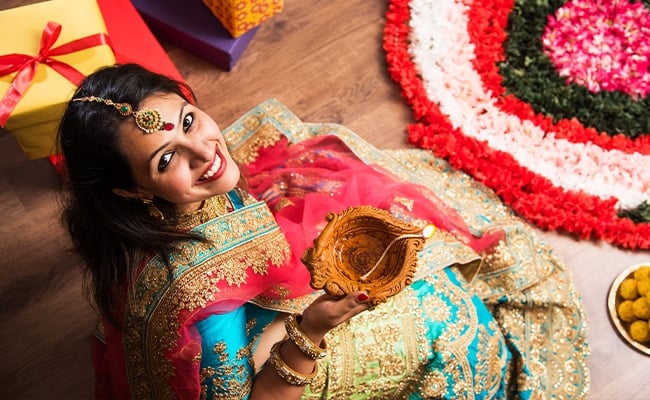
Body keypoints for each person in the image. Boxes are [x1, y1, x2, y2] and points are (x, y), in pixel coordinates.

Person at [58, 63, 590, 400]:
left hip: (264, 311)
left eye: (190, 121)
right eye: (167, 158)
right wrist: (309, 329)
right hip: (278, 364)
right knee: (447, 322)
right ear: (131, 191)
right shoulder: (197, 307)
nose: (206, 154)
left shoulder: (142, 217)